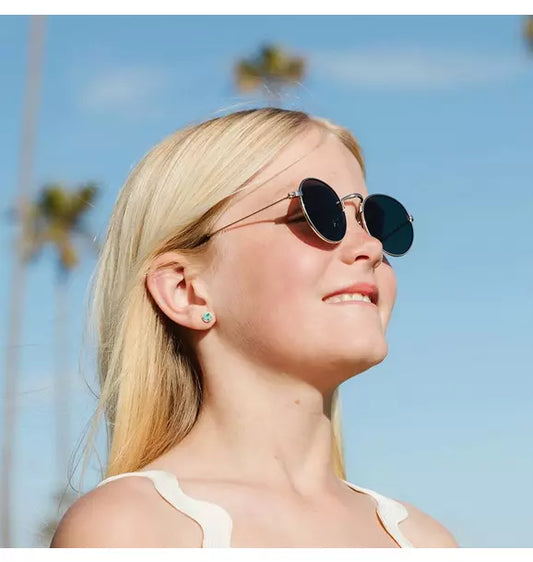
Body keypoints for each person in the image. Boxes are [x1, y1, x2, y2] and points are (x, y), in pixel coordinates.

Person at [50, 107, 458, 548]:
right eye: (316, 213)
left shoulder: (428, 541)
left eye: (372, 219)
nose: (371, 247)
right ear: (186, 290)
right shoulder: (131, 530)